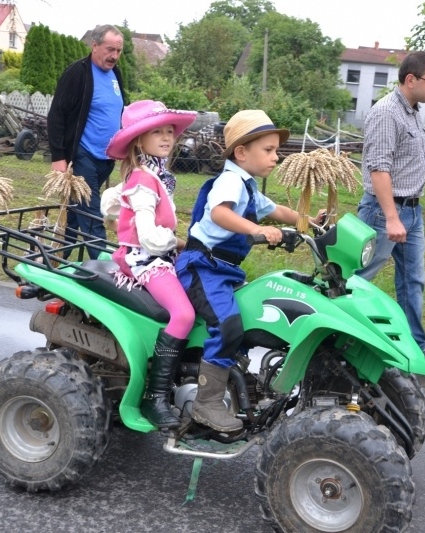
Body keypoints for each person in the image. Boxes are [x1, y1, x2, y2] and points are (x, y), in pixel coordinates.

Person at [175, 110, 324, 432]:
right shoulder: (229, 181)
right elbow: (219, 214)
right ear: (241, 153)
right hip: (202, 267)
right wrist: (259, 230)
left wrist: (308, 222)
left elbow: (278, 210)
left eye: (276, 151)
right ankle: (207, 402)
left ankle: (237, 381)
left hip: (223, 270)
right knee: (228, 325)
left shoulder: (248, 186)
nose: (276, 157)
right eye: (268, 150)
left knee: (248, 319)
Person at [356, 51, 425, 370]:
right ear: (410, 79)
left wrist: (406, 215)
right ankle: (339, 341)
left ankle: (415, 345)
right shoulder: (386, 113)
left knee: (413, 281)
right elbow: (379, 169)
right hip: (385, 213)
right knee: (358, 280)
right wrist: (393, 217)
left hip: (412, 212)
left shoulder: (411, 111)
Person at [103, 100, 197, 429]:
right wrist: (180, 242)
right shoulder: (143, 181)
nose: (166, 136)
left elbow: (113, 204)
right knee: (184, 314)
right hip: (146, 259)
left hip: (159, 254)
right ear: (138, 141)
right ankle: (155, 398)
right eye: (156, 131)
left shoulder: (152, 174)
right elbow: (148, 237)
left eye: (169, 131)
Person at [47, 24, 128, 259]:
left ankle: (59, 261)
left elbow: (120, 111)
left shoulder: (116, 74)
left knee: (75, 211)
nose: (114, 56)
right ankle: (104, 270)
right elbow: (57, 115)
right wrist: (58, 157)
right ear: (95, 45)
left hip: (107, 159)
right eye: (110, 49)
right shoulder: (78, 73)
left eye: (118, 51)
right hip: (83, 155)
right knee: (92, 212)